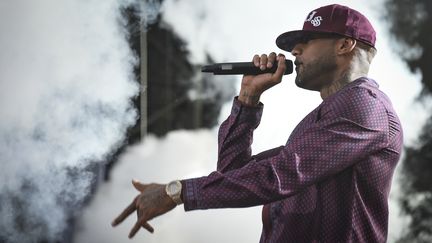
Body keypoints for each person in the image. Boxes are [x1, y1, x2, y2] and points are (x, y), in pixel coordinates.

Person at [111, 4, 403, 243]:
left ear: (345, 44)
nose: (295, 51)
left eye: (307, 41)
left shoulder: (364, 106)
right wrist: (248, 97)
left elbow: (279, 175)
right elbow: (233, 172)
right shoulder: (324, 124)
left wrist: (174, 192)